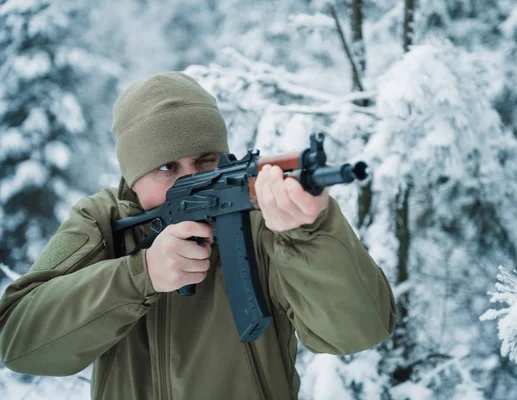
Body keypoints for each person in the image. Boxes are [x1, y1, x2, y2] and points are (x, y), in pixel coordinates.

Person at [0, 72, 397, 399]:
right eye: (167, 166)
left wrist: (311, 230)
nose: (192, 178)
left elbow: (359, 331)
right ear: (133, 176)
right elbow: (16, 342)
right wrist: (140, 275)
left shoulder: (265, 220)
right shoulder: (101, 220)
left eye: (204, 159)